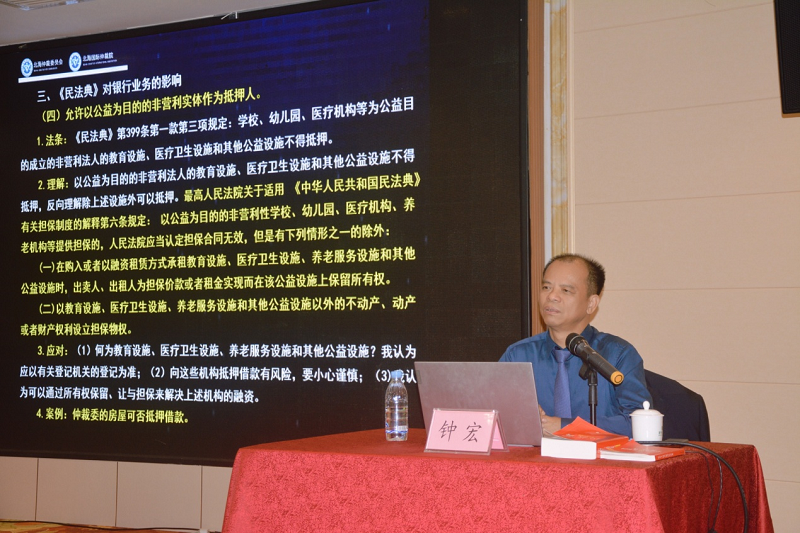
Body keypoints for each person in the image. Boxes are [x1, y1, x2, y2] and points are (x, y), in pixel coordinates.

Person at [500, 253, 651, 437]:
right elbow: (490, 416)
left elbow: (639, 424)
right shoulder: (517, 356)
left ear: (591, 304)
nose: (552, 296)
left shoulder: (618, 354)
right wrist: (518, 416)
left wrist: (565, 426)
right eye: (546, 287)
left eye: (565, 290)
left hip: (600, 456)